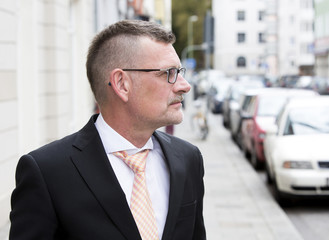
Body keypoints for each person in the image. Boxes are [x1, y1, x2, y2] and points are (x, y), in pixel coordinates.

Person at [9, 20, 206, 240]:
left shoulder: (188, 159)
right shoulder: (47, 172)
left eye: (179, 71)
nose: (184, 85)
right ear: (122, 84)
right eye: (169, 73)